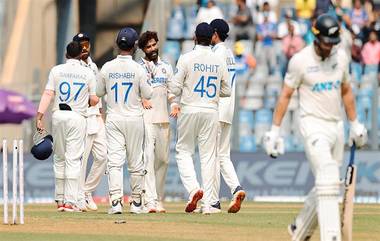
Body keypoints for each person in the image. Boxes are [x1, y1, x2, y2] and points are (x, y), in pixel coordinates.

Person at [263, 14, 367, 241]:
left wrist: (354, 123)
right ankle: (332, 237)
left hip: (336, 125)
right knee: (328, 174)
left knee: (328, 183)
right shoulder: (300, 61)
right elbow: (285, 95)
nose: (330, 48)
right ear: (316, 38)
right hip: (312, 124)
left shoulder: (341, 58)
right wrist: (274, 131)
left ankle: (299, 230)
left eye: (333, 44)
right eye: (326, 43)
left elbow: (347, 91)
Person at [168, 22, 231, 214]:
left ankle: (195, 190)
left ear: (195, 37)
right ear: (211, 37)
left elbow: (175, 87)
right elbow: (227, 90)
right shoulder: (218, 60)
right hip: (211, 110)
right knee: (208, 157)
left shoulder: (186, 58)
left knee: (184, 152)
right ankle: (209, 204)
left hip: (189, 109)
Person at [36, 41, 99, 212]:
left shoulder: (56, 70)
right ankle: (70, 202)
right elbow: (94, 100)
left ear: (66, 55)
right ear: (80, 55)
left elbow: (48, 93)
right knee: (73, 159)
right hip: (77, 117)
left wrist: (39, 116)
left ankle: (60, 200)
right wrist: (87, 99)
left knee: (59, 158)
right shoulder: (87, 72)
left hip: (58, 116)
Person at [96, 27, 153, 214]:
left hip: (114, 119)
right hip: (134, 119)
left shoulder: (107, 67)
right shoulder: (138, 69)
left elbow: (98, 92)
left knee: (114, 162)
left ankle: (115, 203)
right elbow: (148, 93)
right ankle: (136, 203)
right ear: (135, 46)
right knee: (136, 161)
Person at [137, 31, 180, 213]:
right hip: (146, 118)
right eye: (148, 46)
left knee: (163, 160)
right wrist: (141, 99)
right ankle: (149, 200)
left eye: (154, 44)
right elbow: (133, 92)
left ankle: (158, 198)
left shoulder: (166, 66)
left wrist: (174, 103)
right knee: (148, 159)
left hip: (163, 118)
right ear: (143, 49)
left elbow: (170, 90)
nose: (153, 48)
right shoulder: (138, 68)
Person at [209, 19, 246, 213]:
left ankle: (213, 201)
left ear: (215, 33)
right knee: (223, 155)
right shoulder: (230, 53)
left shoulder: (216, 53)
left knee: (212, 157)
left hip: (216, 109)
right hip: (229, 110)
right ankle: (236, 188)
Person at [72, 32, 107, 212]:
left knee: (103, 156)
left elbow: (98, 92)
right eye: (81, 44)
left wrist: (101, 112)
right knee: (82, 160)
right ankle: (78, 198)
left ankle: (86, 191)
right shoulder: (73, 67)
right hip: (83, 117)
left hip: (96, 116)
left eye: (87, 44)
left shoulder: (94, 66)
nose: (85, 47)